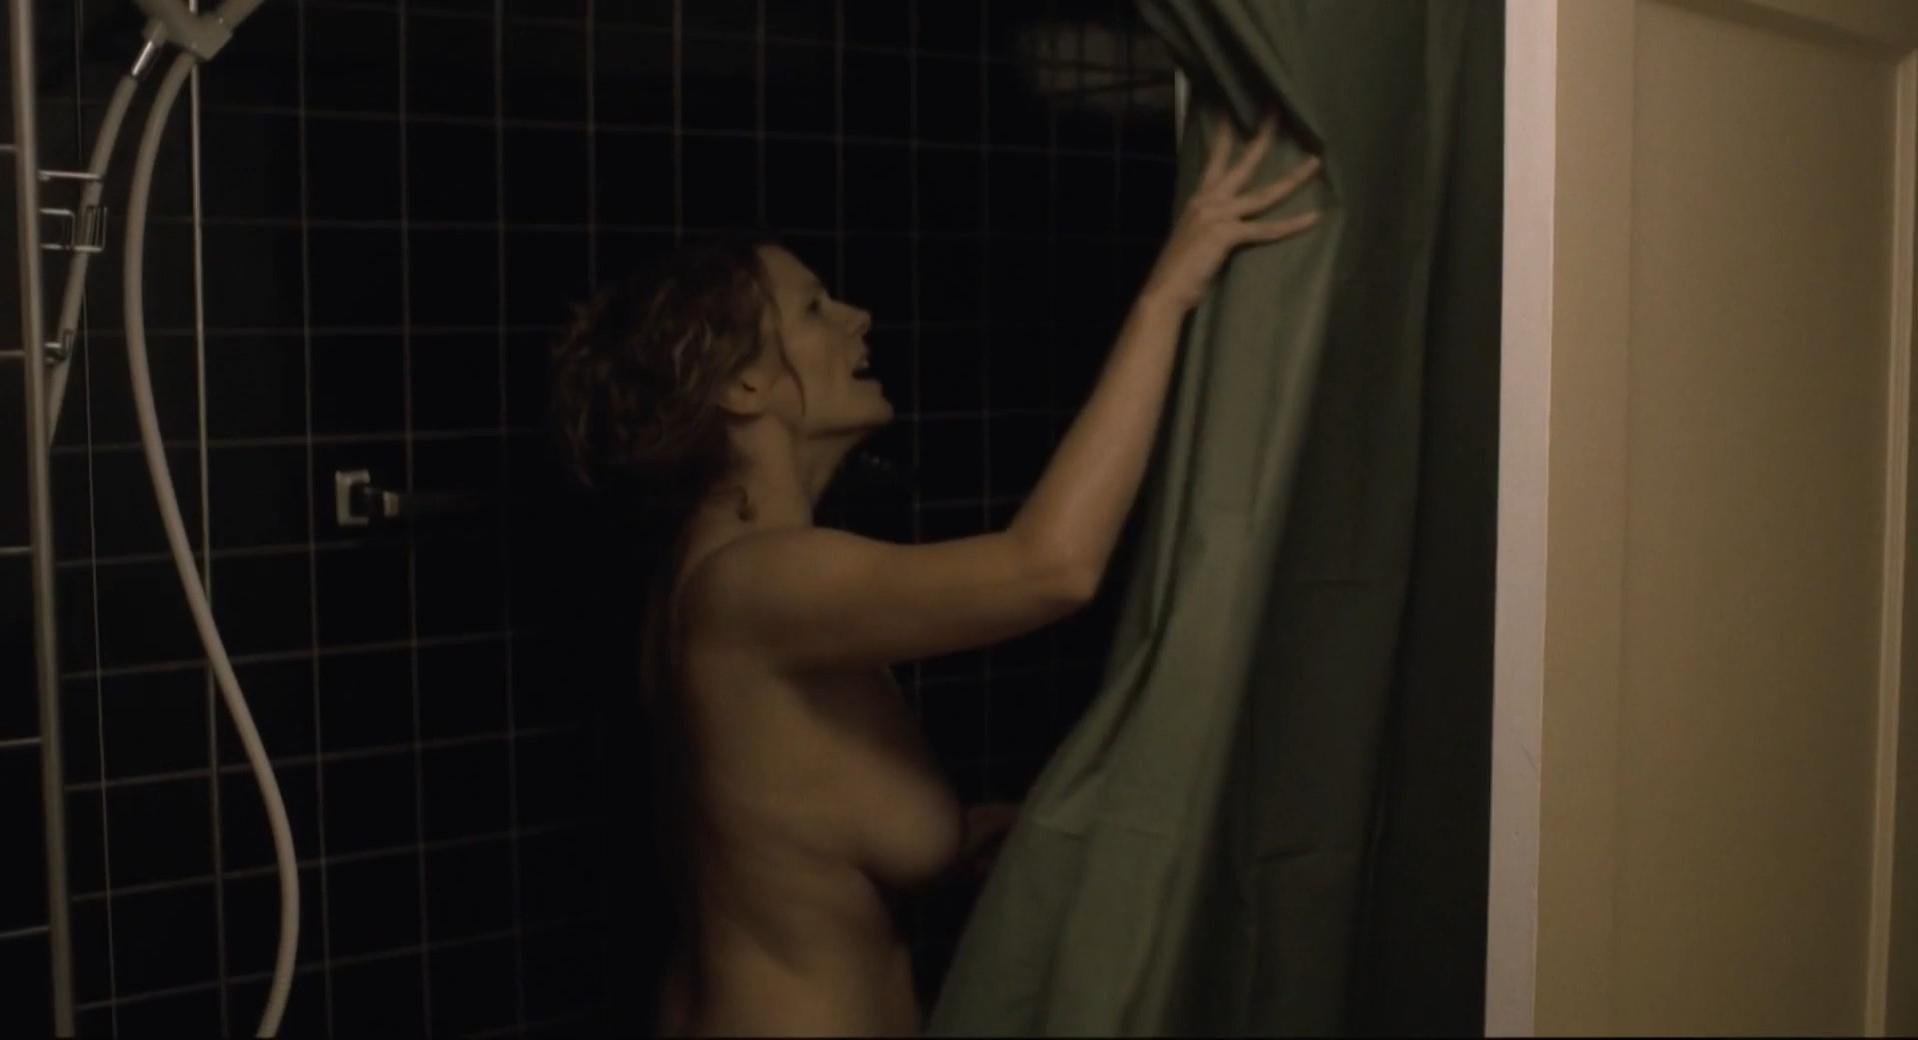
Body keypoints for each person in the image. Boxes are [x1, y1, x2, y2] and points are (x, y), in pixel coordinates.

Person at [547, 110, 1322, 1037]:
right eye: (813, 309)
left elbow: (790, 840)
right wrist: (1168, 294)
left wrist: (1020, 835)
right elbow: (1053, 567)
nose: (856, 318)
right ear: (743, 386)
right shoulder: (762, 583)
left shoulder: (702, 586)